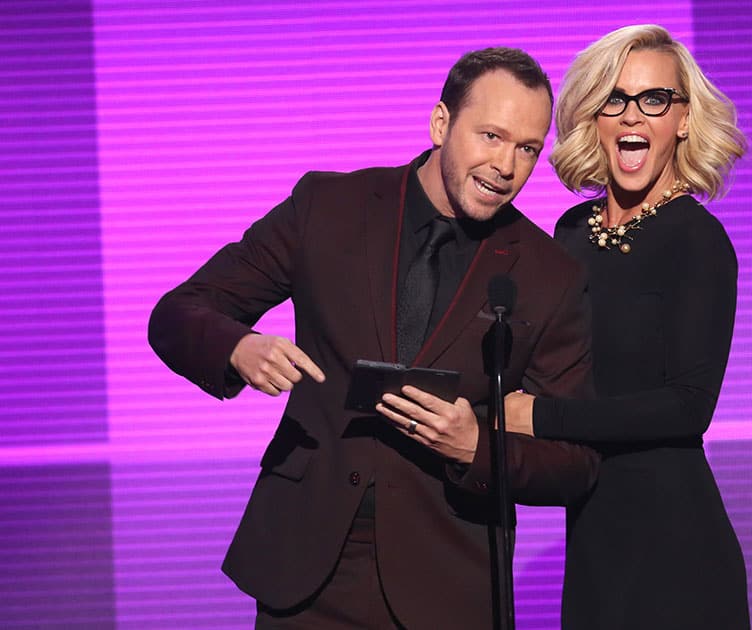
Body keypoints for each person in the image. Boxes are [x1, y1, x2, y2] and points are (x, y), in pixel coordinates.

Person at [148, 47, 599, 630]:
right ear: (442, 123)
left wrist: (475, 447)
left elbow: (577, 464)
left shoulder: (548, 275)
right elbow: (179, 312)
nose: (506, 165)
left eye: (527, 148)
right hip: (306, 568)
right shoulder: (328, 208)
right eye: (491, 136)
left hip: (448, 581)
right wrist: (239, 347)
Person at [503, 25, 751, 628]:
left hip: (677, 548)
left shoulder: (695, 239)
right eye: (614, 98)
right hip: (592, 538)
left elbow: (687, 406)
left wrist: (537, 416)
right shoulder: (569, 234)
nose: (632, 114)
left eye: (654, 99)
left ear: (684, 119)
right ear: (595, 117)